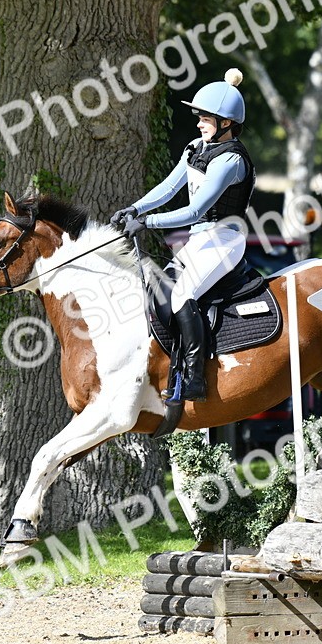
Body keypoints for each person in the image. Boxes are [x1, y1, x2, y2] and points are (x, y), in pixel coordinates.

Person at [111, 68, 256, 402]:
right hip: (199, 242)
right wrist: (135, 209)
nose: (198, 123)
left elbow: (194, 211)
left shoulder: (231, 161)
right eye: (200, 117)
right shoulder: (196, 147)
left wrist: (146, 224)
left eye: (205, 118)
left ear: (226, 123)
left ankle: (195, 379)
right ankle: (171, 364)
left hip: (224, 242)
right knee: (159, 293)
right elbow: (169, 187)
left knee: (181, 295)